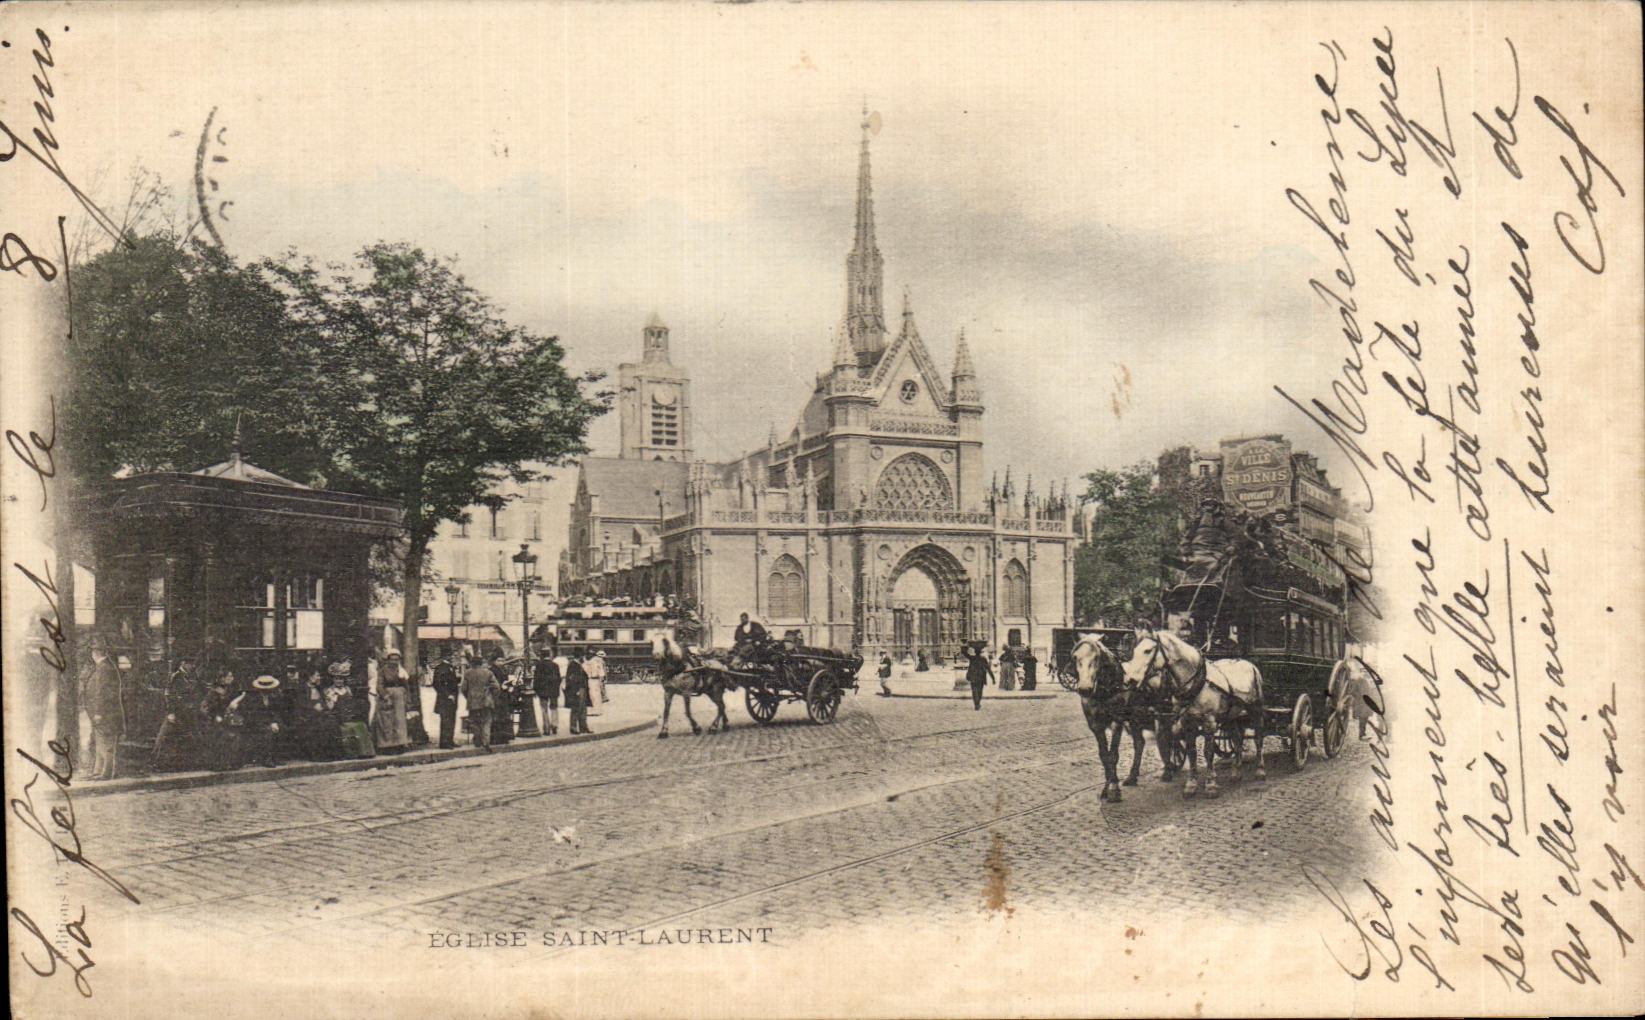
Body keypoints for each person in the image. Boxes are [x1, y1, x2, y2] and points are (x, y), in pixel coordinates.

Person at [151, 656, 205, 772]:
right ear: (183, 663)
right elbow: (169, 695)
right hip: (177, 712)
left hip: (189, 712)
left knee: (187, 737)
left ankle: (185, 763)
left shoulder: (193, 676)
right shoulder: (176, 677)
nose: (192, 666)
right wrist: (171, 712)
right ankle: (159, 763)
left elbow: (198, 691)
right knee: (166, 737)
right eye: (190, 664)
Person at [82, 637, 122, 780]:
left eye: (93, 651)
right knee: (100, 743)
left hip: (106, 713)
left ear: (97, 653)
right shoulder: (103, 667)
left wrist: (99, 712)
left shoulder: (105, 668)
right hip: (101, 713)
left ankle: (107, 773)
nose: (92, 654)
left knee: (107, 744)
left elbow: (103, 693)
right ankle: (98, 771)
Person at [241, 674, 287, 767]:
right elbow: (255, 715)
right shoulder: (253, 698)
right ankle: (267, 759)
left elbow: (274, 712)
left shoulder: (272, 697)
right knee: (267, 732)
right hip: (255, 723)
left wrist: (275, 722)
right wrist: (269, 724)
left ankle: (276, 757)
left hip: (268, 722)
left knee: (282, 728)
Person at [372, 649, 412, 753]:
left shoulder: (402, 671)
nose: (394, 662)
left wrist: (408, 698)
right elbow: (379, 685)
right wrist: (385, 696)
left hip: (400, 697)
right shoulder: (383, 671)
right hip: (388, 696)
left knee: (400, 721)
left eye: (397, 660)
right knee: (387, 722)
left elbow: (406, 686)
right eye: (392, 659)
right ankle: (387, 745)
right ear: (388, 660)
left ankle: (400, 744)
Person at [461, 654, 499, 752]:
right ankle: (486, 742)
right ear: (481, 663)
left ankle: (477, 739)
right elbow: (496, 687)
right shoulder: (488, 673)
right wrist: (492, 697)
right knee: (486, 722)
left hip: (473, 702)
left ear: (472, 663)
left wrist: (468, 697)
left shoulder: (468, 673)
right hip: (486, 701)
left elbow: (463, 688)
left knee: (474, 721)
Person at [431, 653, 461, 749]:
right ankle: (444, 742)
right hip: (445, 699)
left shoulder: (450, 667)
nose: (452, 657)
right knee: (445, 720)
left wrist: (458, 678)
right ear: (445, 656)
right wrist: (447, 694)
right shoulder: (440, 668)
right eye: (450, 655)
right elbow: (437, 684)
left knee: (452, 719)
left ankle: (450, 740)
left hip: (452, 698)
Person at [534, 650, 562, 735]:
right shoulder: (555, 665)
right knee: (554, 708)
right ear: (550, 655)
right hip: (553, 690)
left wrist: (536, 689)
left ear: (542, 656)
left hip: (542, 690)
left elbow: (537, 679)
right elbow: (559, 678)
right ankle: (554, 725)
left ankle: (546, 728)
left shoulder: (539, 666)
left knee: (544, 709)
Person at [563, 653, 591, 735]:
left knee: (583, 709)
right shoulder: (573, 665)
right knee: (576, 709)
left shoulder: (579, 664)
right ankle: (573, 727)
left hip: (582, 689)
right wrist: (575, 690)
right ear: (580, 656)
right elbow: (571, 679)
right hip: (577, 690)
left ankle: (583, 727)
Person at [965, 645, 994, 710]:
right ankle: (977, 703)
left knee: (974, 690)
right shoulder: (983, 659)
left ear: (975, 652)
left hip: (973, 676)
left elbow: (965, 654)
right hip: (981, 676)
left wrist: (965, 647)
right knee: (980, 691)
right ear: (980, 652)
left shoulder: (972, 658)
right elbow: (988, 669)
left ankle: (976, 703)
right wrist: (993, 678)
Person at [584, 649, 607, 717]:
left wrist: (601, 681)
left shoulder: (596, 662)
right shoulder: (588, 662)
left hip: (595, 679)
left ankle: (597, 710)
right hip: (590, 679)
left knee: (595, 695)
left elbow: (601, 672)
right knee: (592, 695)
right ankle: (596, 710)